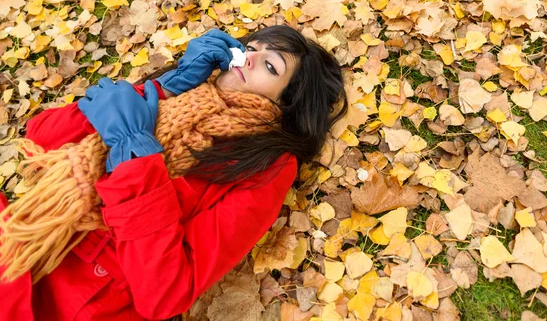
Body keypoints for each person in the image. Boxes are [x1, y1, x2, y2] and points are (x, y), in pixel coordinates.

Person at [0, 25, 348, 320]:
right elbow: (41, 139)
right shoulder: (188, 88)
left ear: (286, 104)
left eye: (270, 66)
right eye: (250, 47)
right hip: (22, 237)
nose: (249, 57)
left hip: (61, 301)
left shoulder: (269, 165)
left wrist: (135, 157)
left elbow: (164, 294)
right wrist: (165, 86)